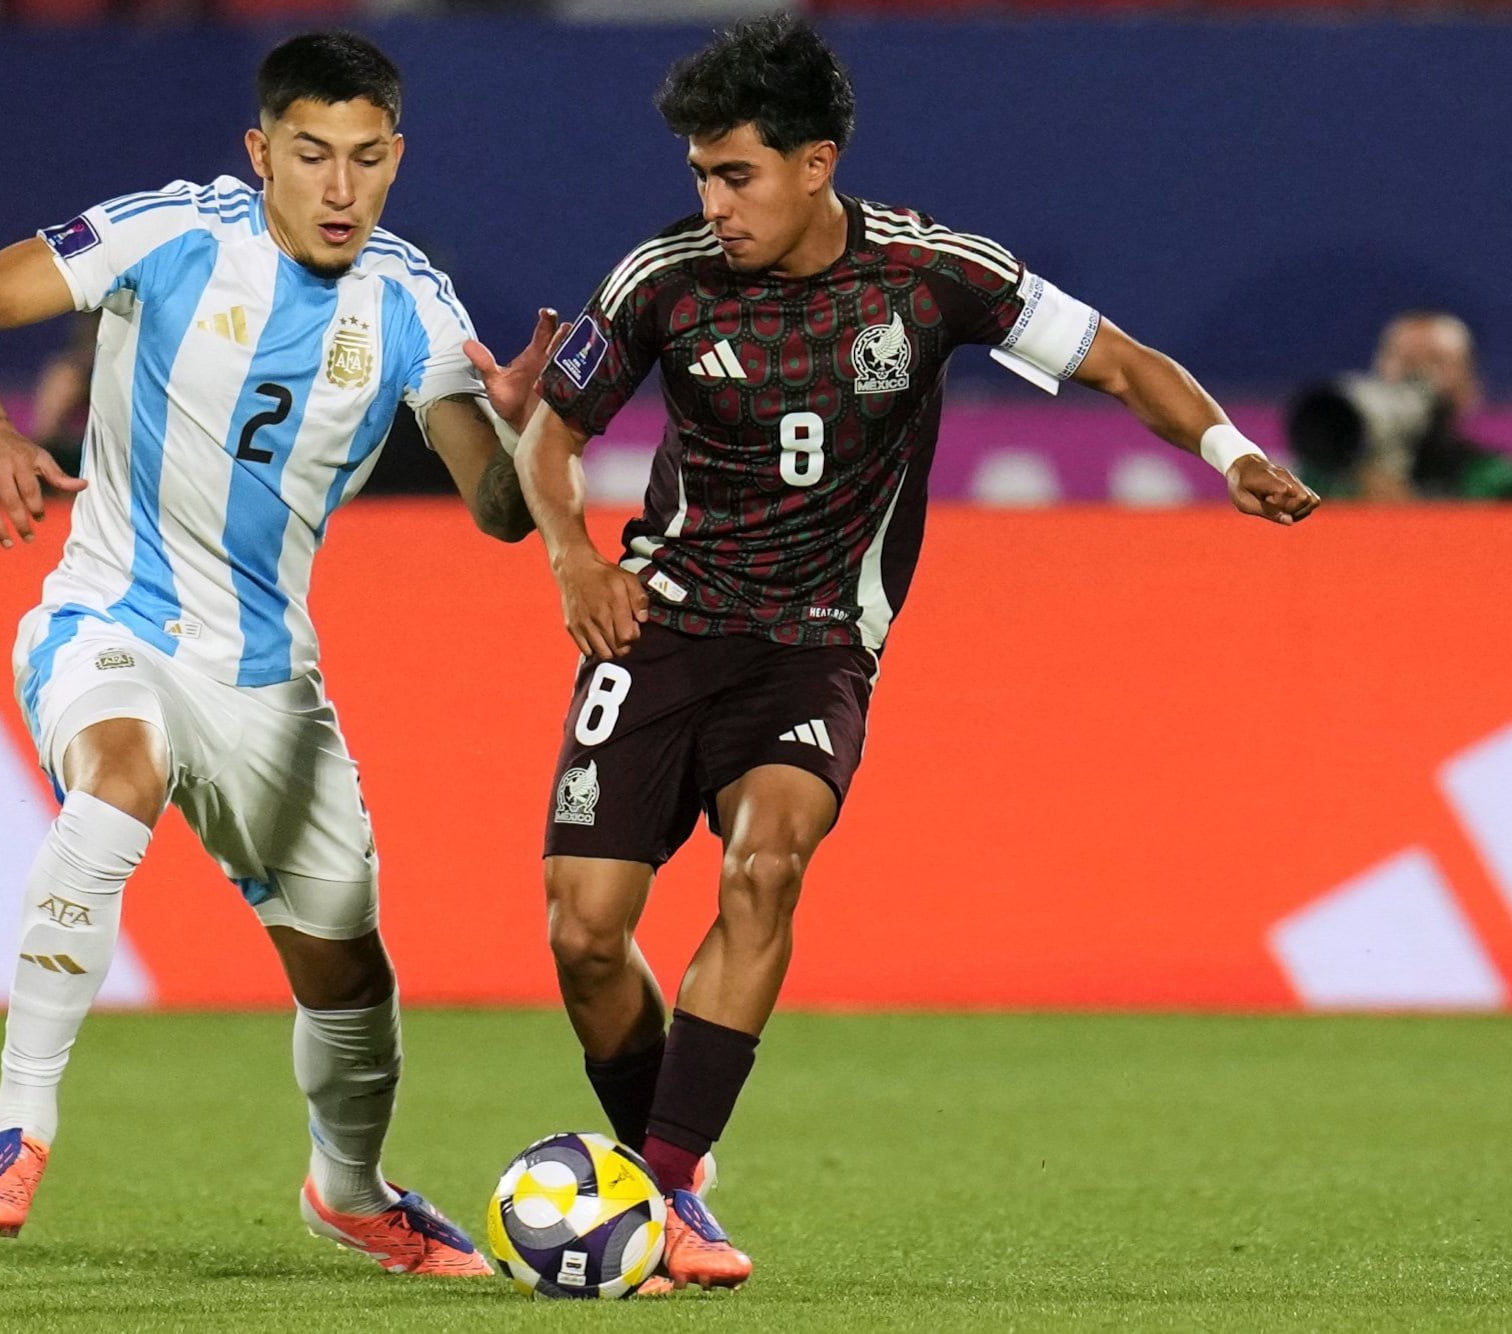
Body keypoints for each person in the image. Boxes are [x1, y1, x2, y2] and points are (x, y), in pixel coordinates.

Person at [514, 14, 1319, 1292]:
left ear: (816, 162)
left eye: (737, 176)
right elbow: (549, 433)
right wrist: (571, 554)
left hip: (818, 642)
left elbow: (1117, 361)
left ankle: (663, 1191)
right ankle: (659, 1173)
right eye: (699, 177)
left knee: (764, 862)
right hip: (661, 623)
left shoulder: (931, 274)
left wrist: (1228, 453)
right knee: (584, 935)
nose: (712, 204)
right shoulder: (658, 281)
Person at [0, 30, 556, 1274]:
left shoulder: (412, 304)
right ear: (261, 152)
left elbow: (496, 515)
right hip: (110, 617)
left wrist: (528, 437)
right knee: (117, 771)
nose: (338, 188)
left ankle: (351, 1190)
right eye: (310, 155)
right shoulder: (171, 234)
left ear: (396, 160)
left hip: (268, 684)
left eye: (367, 160)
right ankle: (14, 1125)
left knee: (349, 977)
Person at [1287, 310, 1512, 501]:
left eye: (1437, 361)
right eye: (1406, 360)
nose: (1418, 374)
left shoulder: (1491, 478)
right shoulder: (1320, 477)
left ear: (1470, 385)